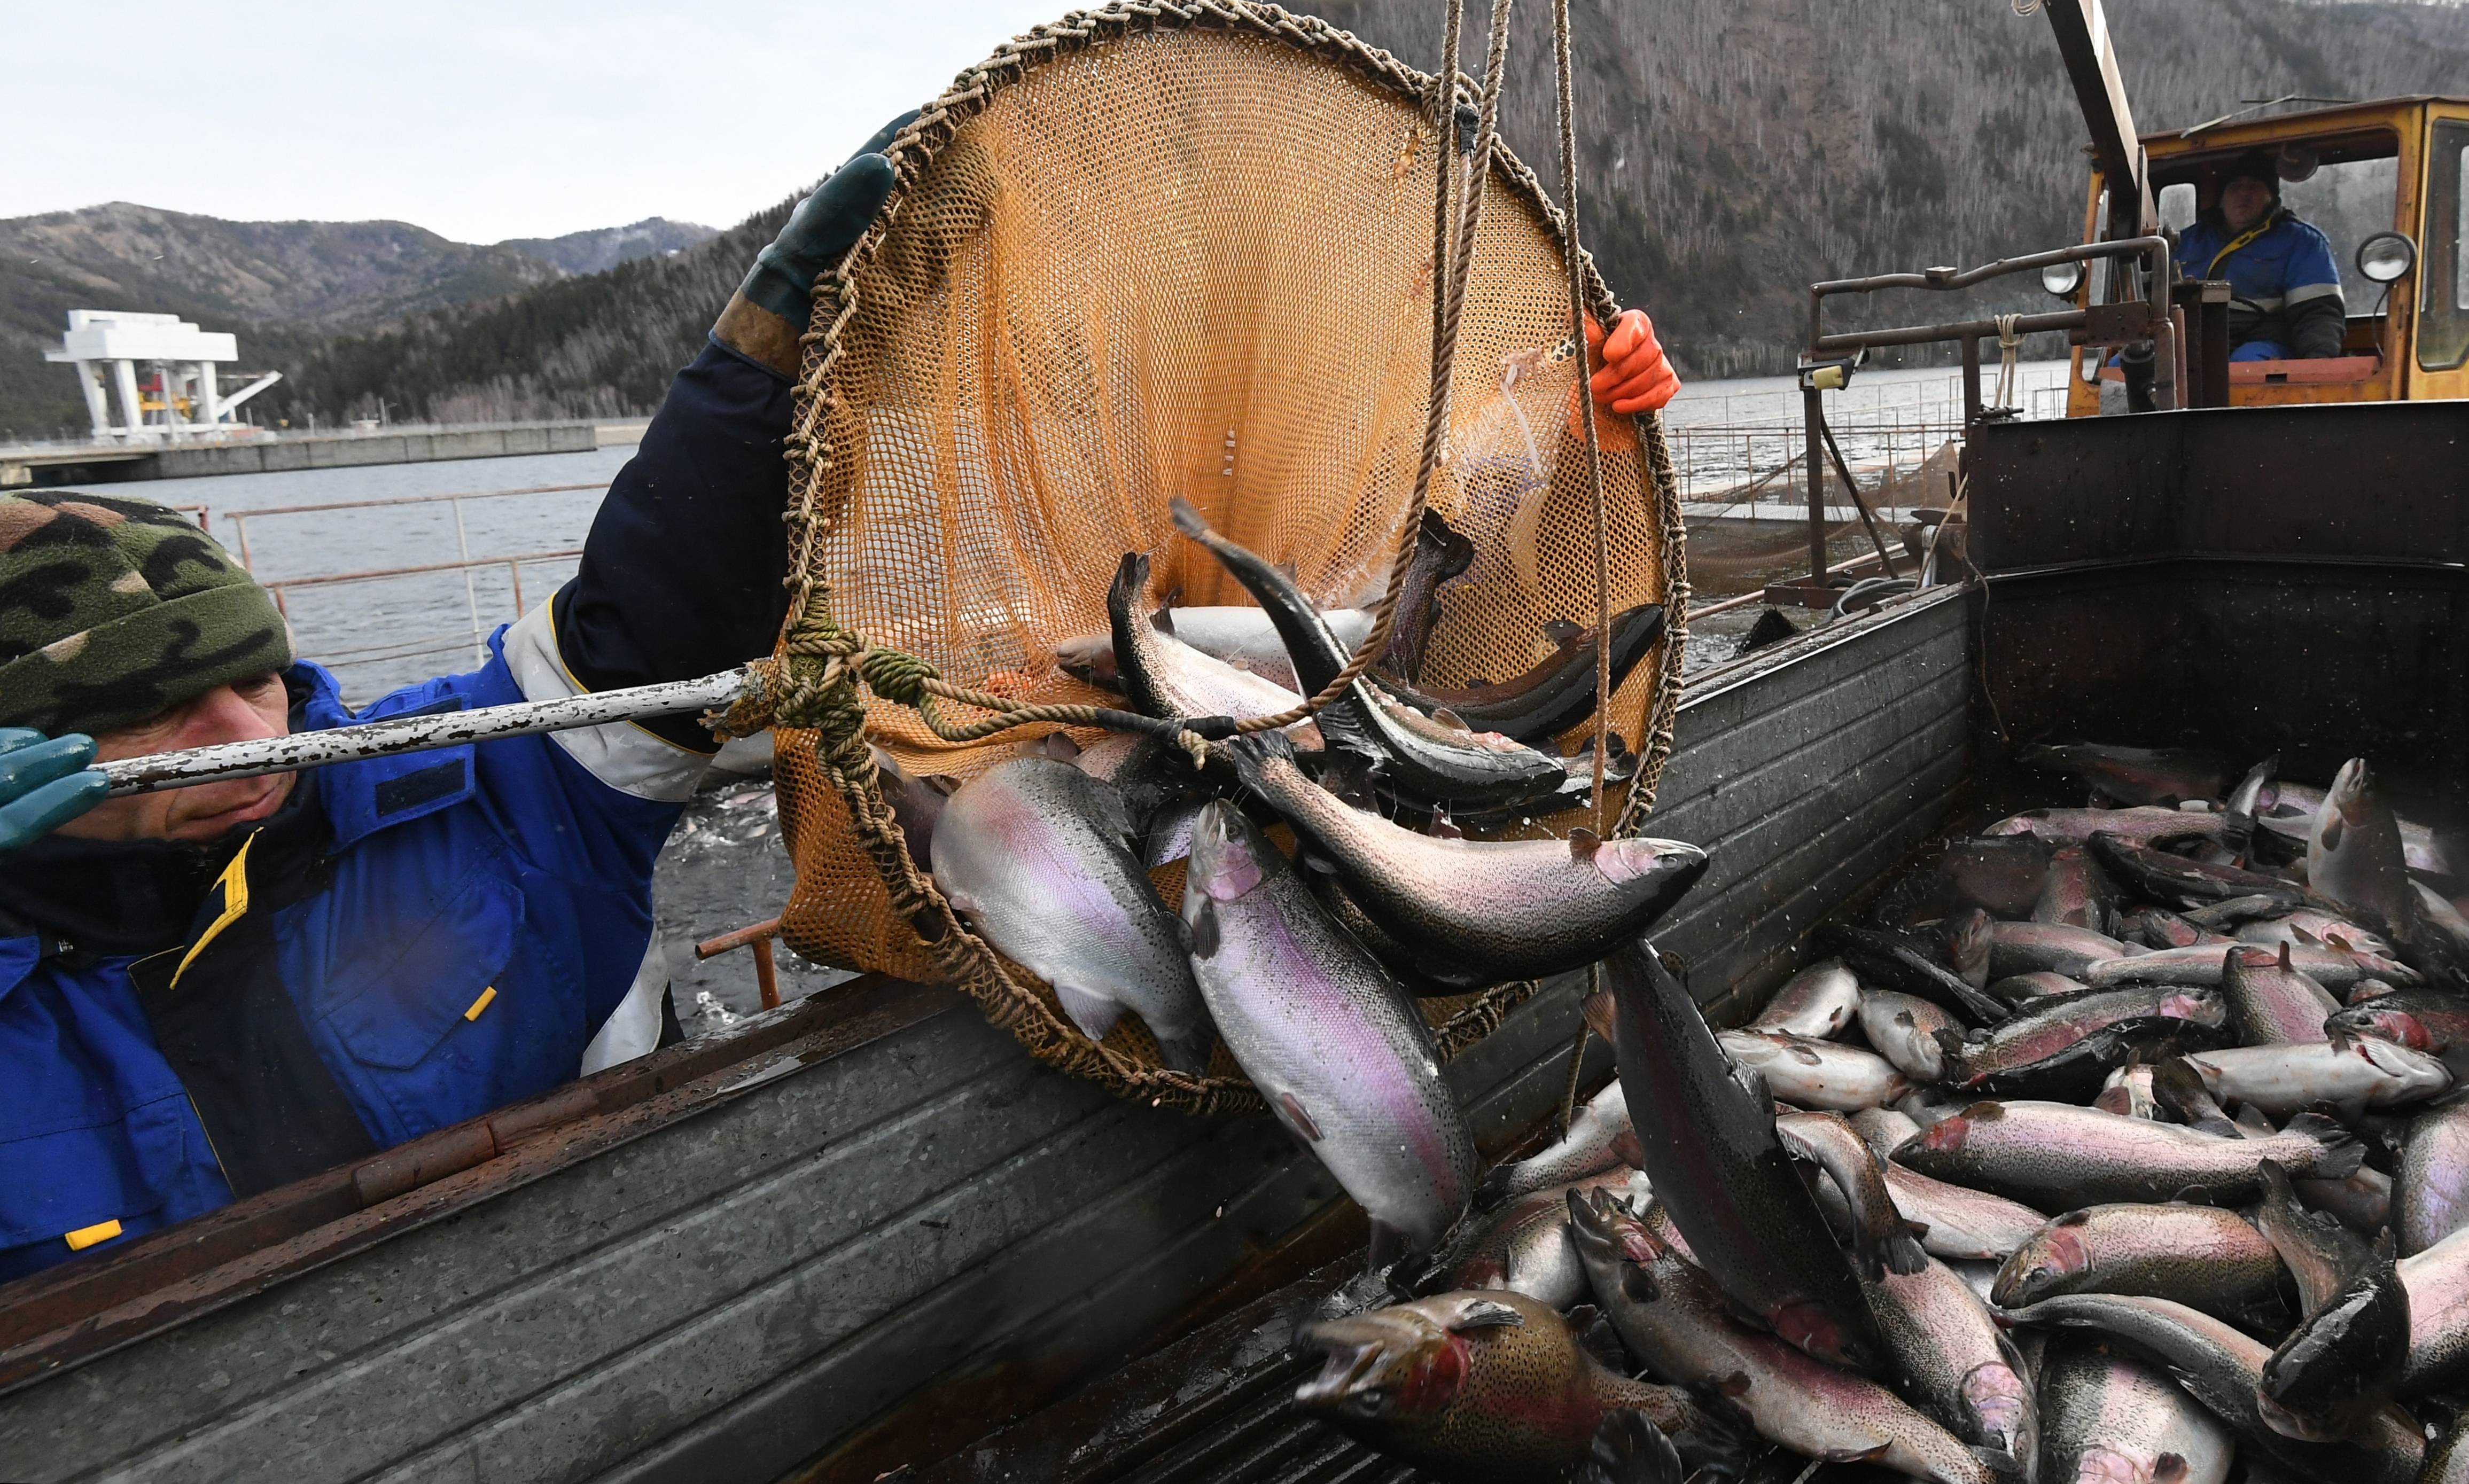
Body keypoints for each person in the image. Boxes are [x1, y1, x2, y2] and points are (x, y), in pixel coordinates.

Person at [0, 120, 1681, 1285]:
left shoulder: (471, 786)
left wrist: (1572, 421)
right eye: (160, 717)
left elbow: (645, 609)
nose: (244, 741)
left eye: (253, 680)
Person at [2172, 149, 2348, 361]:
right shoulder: (2187, 241)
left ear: (2272, 197)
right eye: (2236, 187)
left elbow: (2318, 312)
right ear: (2222, 198)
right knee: (2125, 367)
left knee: (2247, 366)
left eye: (2254, 187)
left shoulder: (2302, 242)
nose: (2244, 194)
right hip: (2188, 340)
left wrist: (2318, 361)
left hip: (2260, 340)